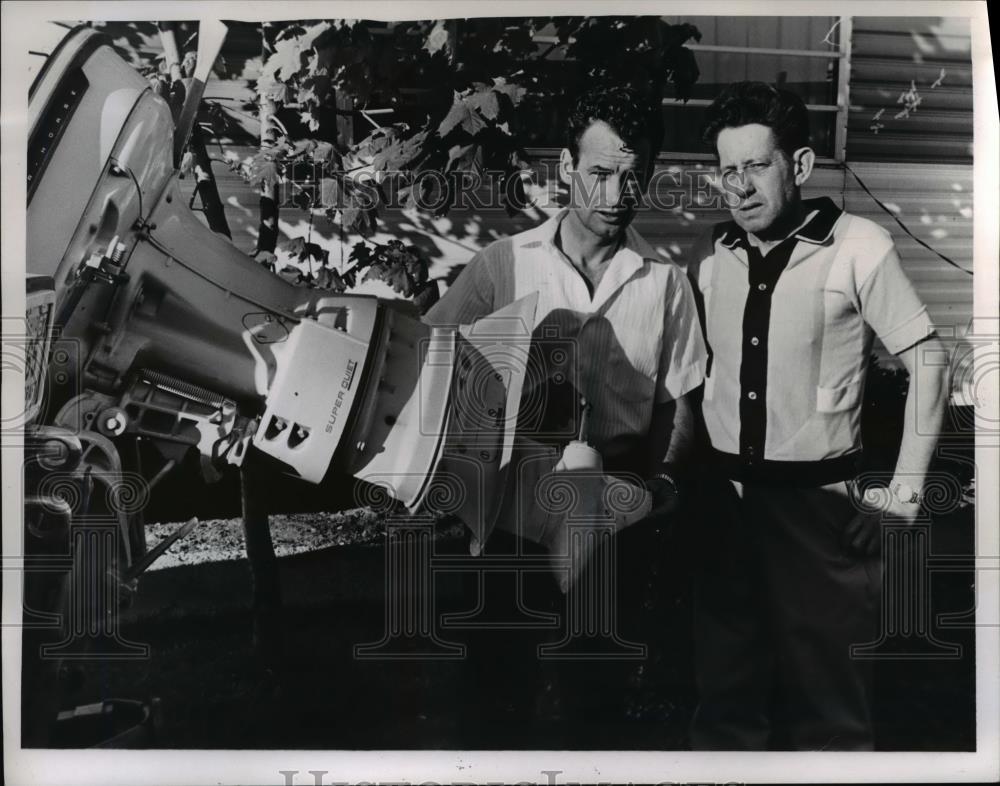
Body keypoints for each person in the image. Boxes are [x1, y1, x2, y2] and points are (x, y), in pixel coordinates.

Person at [423, 85, 708, 735]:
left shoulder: (665, 285)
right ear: (566, 167)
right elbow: (436, 369)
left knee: (597, 699)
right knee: (494, 697)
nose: (615, 195)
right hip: (508, 515)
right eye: (600, 174)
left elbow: (679, 404)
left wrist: (662, 481)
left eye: (632, 178)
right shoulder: (503, 266)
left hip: (613, 515)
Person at [686, 81, 949, 750]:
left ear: (798, 166)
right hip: (727, 510)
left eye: (756, 165)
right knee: (724, 705)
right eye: (727, 170)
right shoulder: (713, 260)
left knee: (828, 712)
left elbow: (929, 361)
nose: (739, 186)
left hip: (820, 516)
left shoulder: (858, 246)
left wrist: (902, 496)